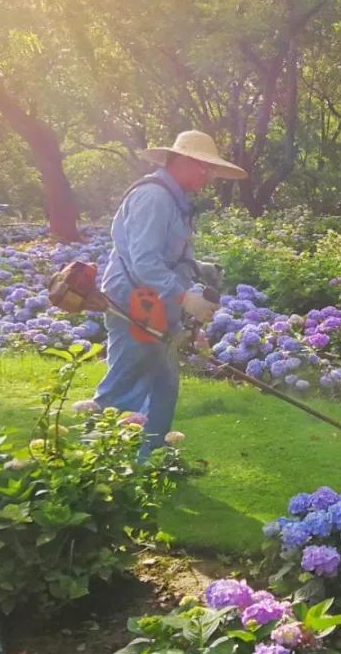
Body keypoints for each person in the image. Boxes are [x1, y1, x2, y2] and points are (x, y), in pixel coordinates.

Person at [94, 130, 246, 457]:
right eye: (203, 167)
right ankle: (94, 465)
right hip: (133, 304)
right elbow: (144, 261)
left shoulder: (177, 200)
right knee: (123, 385)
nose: (208, 176)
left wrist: (199, 267)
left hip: (156, 305)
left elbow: (169, 253)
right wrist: (184, 297)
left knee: (163, 384)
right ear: (181, 161)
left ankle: (151, 460)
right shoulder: (155, 197)